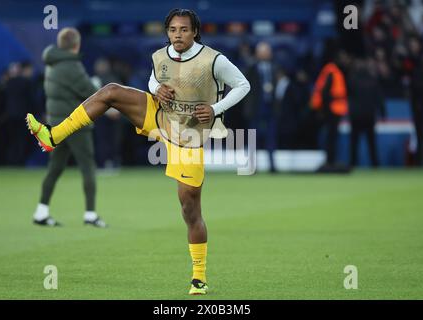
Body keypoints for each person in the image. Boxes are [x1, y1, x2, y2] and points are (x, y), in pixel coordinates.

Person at [26, 9, 250, 295]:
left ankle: (198, 277)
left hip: (189, 134)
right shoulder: (161, 55)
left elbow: (243, 84)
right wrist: (157, 88)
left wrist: (216, 109)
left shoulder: (215, 60)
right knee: (110, 92)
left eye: (183, 29)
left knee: (189, 208)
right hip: (159, 117)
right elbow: (153, 80)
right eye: (172, 30)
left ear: (195, 31)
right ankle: (53, 135)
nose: (177, 35)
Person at [31, 27, 107, 228]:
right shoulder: (72, 65)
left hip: (55, 124)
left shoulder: (52, 63)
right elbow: (91, 92)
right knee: (87, 167)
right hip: (75, 125)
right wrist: (96, 82)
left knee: (54, 168)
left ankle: (41, 212)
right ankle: (90, 215)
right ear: (77, 44)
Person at [310, 50, 349, 167]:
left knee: (332, 136)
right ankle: (330, 161)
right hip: (332, 109)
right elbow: (325, 93)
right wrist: (325, 110)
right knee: (331, 137)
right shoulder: (332, 72)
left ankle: (330, 160)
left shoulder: (332, 71)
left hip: (333, 109)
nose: (345, 60)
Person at [244, 41, 278, 172]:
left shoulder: (275, 68)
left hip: (270, 107)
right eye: (262, 52)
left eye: (267, 51)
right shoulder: (251, 68)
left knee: (271, 137)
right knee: (253, 138)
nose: (265, 54)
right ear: (257, 54)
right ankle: (252, 166)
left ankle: (272, 166)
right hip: (256, 108)